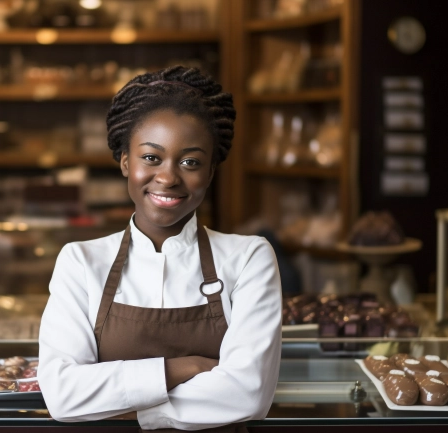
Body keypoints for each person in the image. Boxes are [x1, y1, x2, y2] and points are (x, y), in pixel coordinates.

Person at [38, 66, 282, 432]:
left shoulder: (249, 258)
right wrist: (181, 368)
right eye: (151, 157)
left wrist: (128, 410)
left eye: (190, 162)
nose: (168, 177)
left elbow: (248, 393)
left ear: (211, 172)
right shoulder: (80, 261)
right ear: (125, 161)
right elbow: (61, 394)